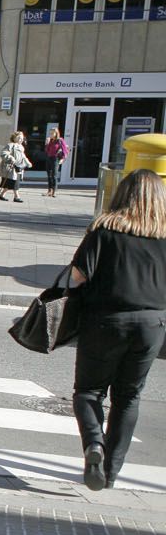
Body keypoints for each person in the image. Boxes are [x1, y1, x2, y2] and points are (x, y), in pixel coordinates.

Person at [69, 169, 166, 490]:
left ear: (123, 193)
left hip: (105, 320)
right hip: (152, 325)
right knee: (128, 397)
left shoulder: (105, 228)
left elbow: (79, 275)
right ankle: (110, 473)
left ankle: (94, 444)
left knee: (88, 392)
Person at [0, 131, 31, 203]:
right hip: (10, 168)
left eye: (22, 138)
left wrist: (28, 163)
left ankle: (1, 195)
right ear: (14, 138)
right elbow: (4, 153)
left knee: (10, 183)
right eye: (19, 138)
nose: (20, 140)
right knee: (14, 183)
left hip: (18, 168)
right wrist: (11, 157)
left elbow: (23, 157)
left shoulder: (21, 147)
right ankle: (16, 197)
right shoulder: (10, 145)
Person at [43, 127, 68, 197]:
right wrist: (47, 143)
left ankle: (54, 191)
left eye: (52, 133)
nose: (51, 134)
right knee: (49, 175)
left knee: (54, 175)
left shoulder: (60, 140)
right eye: (50, 133)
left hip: (55, 158)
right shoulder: (50, 140)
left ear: (56, 133)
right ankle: (49, 191)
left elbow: (65, 150)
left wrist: (62, 159)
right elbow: (47, 151)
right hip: (49, 158)